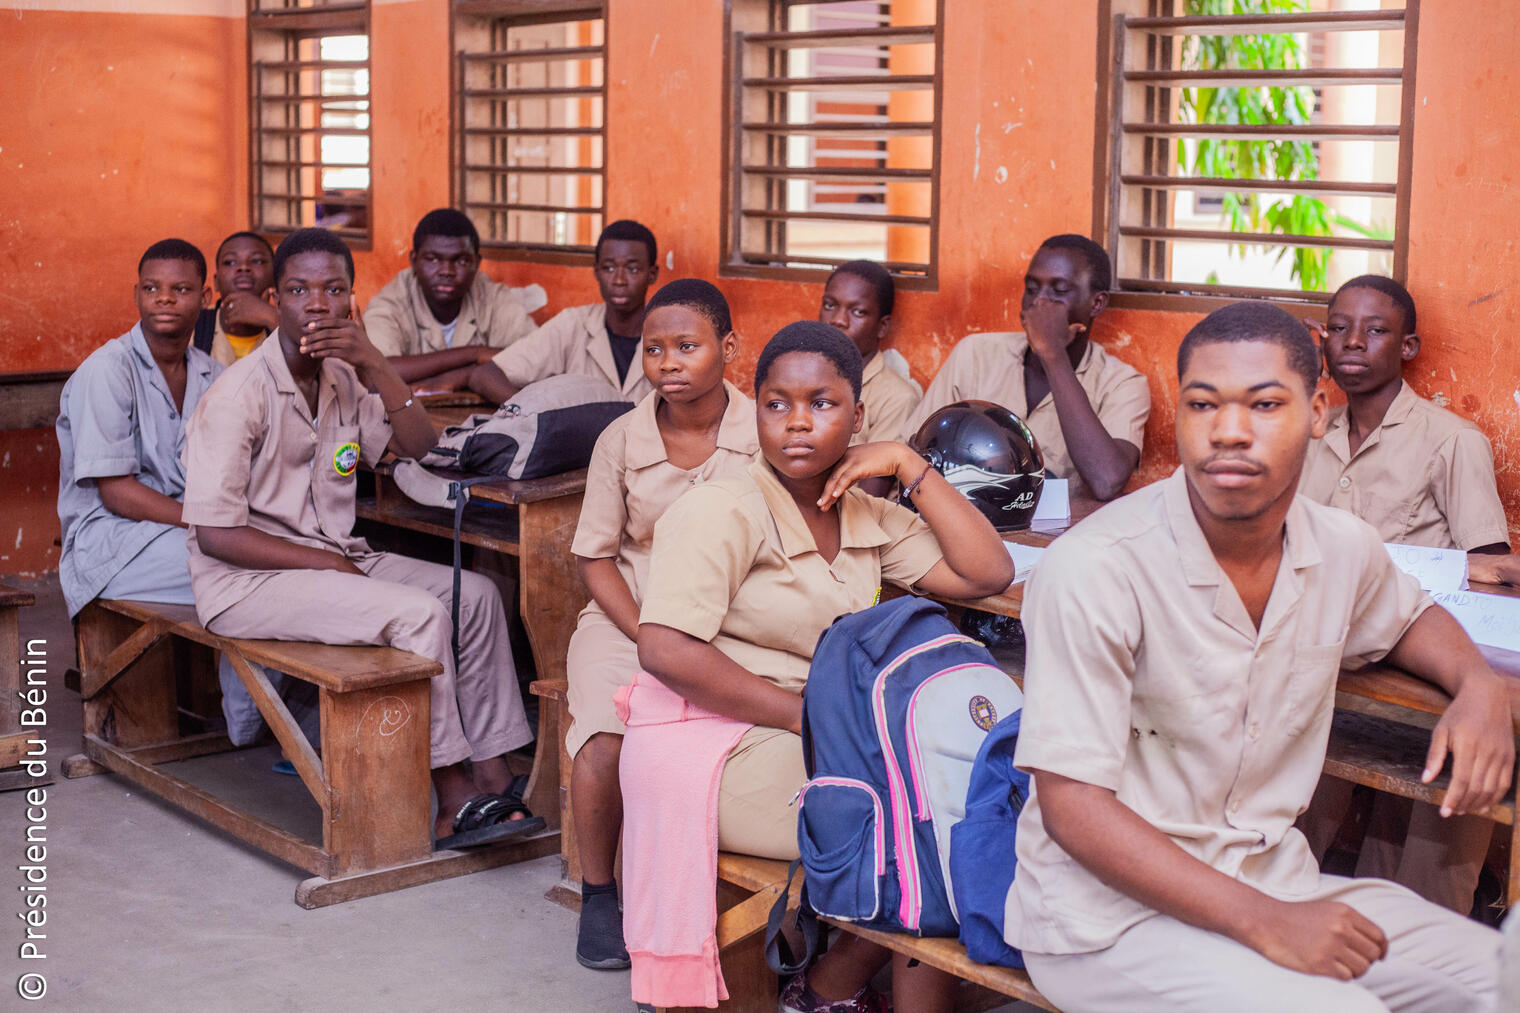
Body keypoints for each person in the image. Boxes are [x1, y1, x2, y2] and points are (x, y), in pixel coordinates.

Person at [1009, 301, 1509, 1011]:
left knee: (1500, 975)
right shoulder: (1096, 566)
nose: (1230, 430)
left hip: (1276, 881)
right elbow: (1074, 809)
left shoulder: (1341, 545)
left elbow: (1409, 618)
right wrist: (1267, 923)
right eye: (1202, 404)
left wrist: (1479, 688)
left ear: (1317, 411)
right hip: (1107, 921)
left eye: (1265, 404)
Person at [623, 322, 1013, 1012]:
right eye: (777, 404)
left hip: (814, 736)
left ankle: (832, 982)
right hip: (711, 744)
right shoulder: (722, 508)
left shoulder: (863, 514)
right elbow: (665, 649)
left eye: (823, 404)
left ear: (858, 418)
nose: (797, 423)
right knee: (920, 821)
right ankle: (837, 984)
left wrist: (906, 462)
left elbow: (988, 571)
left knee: (945, 800)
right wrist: (806, 715)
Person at [181, 228, 539, 848]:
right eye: (299, 291)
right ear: (276, 300)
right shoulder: (238, 395)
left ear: (352, 300)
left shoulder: (345, 378)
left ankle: (494, 772)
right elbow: (215, 535)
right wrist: (324, 564)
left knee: (477, 596)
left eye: (333, 290)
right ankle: (452, 796)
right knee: (420, 614)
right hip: (247, 582)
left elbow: (421, 447)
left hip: (335, 558)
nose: (317, 305)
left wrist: (375, 363)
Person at [1298, 275, 1517, 915]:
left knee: (1426, 815)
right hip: (1322, 649)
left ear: (1409, 346)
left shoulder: (1451, 440)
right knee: (1295, 803)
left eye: (1376, 330)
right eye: (1339, 328)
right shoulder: (1307, 430)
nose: (1353, 342)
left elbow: (1492, 574)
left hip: (1420, 658)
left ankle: (1422, 934)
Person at [566, 278, 758, 971]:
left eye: (687, 346)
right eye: (654, 349)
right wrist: (648, 636)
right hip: (629, 617)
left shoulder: (763, 430)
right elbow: (595, 558)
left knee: (733, 744)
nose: (668, 362)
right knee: (604, 738)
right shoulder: (621, 439)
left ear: (728, 348)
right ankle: (598, 893)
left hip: (734, 624)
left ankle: (712, 898)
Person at [902, 234, 1149, 500]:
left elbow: (1106, 481)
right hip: (961, 515)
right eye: (1031, 288)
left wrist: (1052, 354)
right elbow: (911, 451)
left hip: (1063, 527)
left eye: (1059, 291)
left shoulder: (1122, 383)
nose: (1039, 301)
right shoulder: (976, 354)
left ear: (1096, 303)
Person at [58, 238, 222, 619]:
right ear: (136, 295)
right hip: (114, 542)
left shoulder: (214, 375)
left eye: (180, 289)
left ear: (205, 297)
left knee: (262, 567)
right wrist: (214, 524)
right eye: (151, 288)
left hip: (187, 531)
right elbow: (117, 494)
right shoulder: (107, 370)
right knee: (237, 570)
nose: (164, 299)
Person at [468, 219, 659, 404]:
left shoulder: (667, 333)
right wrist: (533, 413)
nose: (619, 280)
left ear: (652, 274)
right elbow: (485, 376)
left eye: (632, 269)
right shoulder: (572, 324)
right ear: (596, 272)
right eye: (608, 268)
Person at [363, 208, 540, 392]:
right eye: (432, 259)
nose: (447, 271)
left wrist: (462, 376)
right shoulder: (390, 303)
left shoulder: (493, 297)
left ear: (477, 263)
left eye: (461, 261)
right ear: (414, 261)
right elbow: (374, 376)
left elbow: (534, 361)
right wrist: (475, 355)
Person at [818, 260, 920, 445]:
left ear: (882, 326)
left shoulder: (897, 399)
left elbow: (882, 462)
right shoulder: (799, 376)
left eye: (858, 312)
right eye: (830, 305)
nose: (838, 320)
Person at [196, 231, 280, 365]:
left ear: (275, 278)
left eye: (257, 261)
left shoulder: (292, 324)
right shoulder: (194, 327)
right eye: (230, 262)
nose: (243, 267)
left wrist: (273, 319)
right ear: (216, 282)